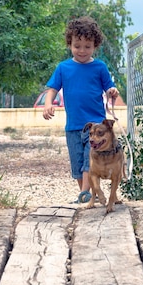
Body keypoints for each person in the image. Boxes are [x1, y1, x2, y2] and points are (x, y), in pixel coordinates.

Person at [43, 16, 120, 204]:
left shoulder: (100, 67)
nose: (82, 50)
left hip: (95, 125)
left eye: (88, 46)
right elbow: (52, 88)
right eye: (77, 46)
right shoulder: (63, 68)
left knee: (88, 160)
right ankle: (86, 195)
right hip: (73, 126)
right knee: (77, 165)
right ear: (70, 44)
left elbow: (110, 88)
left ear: (95, 46)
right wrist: (48, 103)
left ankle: (86, 192)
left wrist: (112, 91)